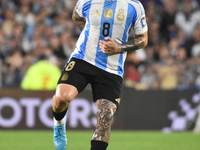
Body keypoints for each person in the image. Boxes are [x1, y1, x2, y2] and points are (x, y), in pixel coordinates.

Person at [52, 0, 148, 150]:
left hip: (111, 69)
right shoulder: (87, 1)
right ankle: (58, 126)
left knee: (105, 117)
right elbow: (76, 16)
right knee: (61, 98)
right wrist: (89, 35)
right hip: (83, 59)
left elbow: (143, 39)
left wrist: (119, 47)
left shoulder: (134, 6)